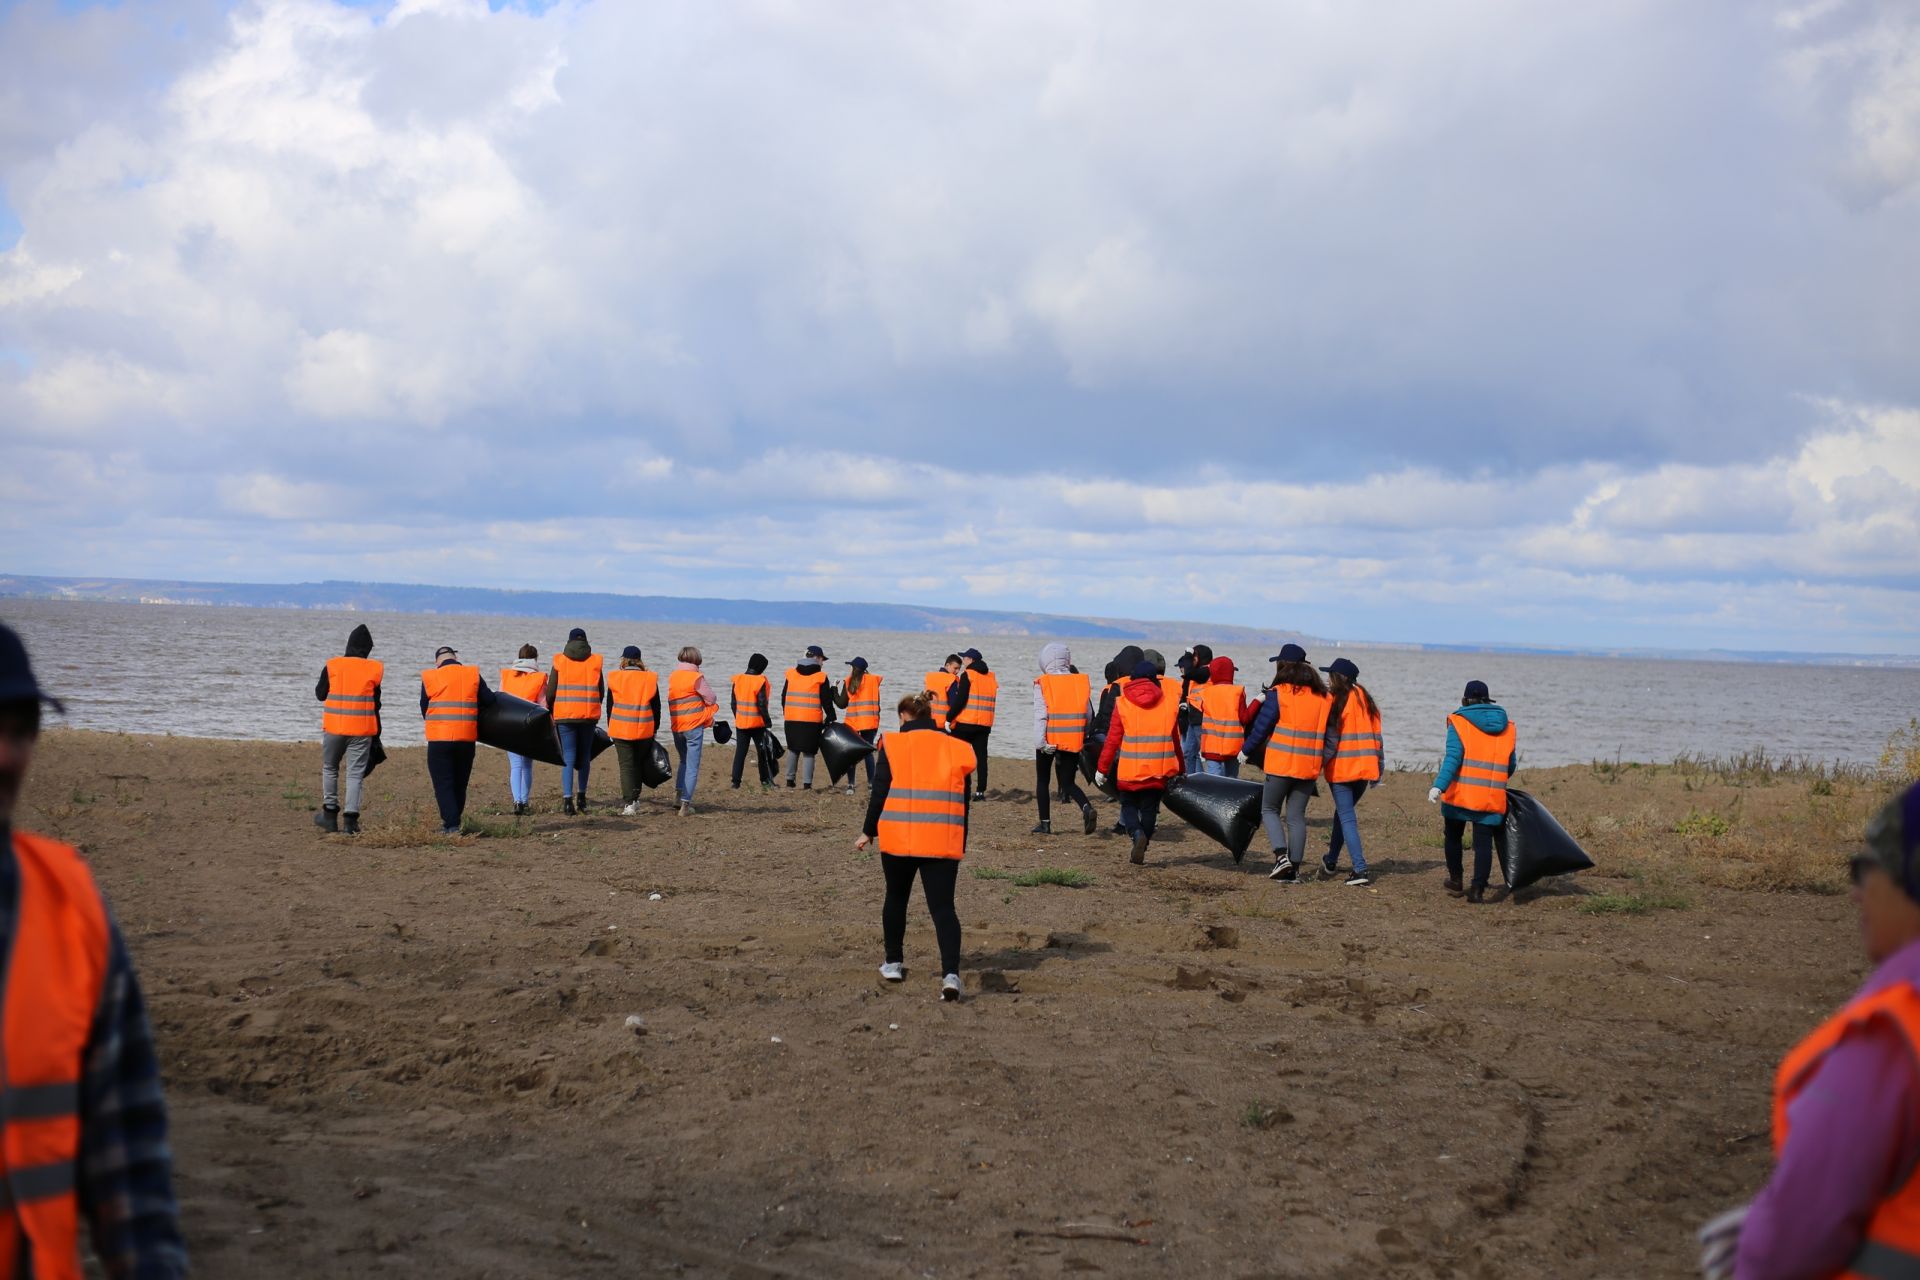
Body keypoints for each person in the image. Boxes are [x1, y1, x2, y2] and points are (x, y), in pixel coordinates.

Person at [1696, 782, 1920, 1280]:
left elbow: (1802, 1226)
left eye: (1865, 869)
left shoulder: (1891, 1035)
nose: (1856, 892)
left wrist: (1754, 1252)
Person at [855, 691, 976, 1002]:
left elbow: (879, 793)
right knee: (943, 908)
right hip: (941, 840)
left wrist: (868, 832)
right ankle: (950, 975)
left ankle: (893, 963)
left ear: (903, 717)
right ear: (929, 717)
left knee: (896, 899)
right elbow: (963, 802)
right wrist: (959, 840)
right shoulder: (956, 748)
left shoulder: (893, 745)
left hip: (898, 839)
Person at [1242, 644, 1333, 881]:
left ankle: (1281, 857)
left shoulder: (1278, 693)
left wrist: (1245, 751)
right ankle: (1295, 869)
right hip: (1308, 766)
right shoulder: (1324, 697)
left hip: (1280, 764)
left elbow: (1262, 727)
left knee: (1269, 809)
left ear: (1282, 665)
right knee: (1296, 816)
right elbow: (1331, 733)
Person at [1427, 679, 1515, 903]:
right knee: (1483, 844)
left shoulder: (1458, 722)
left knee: (1453, 837)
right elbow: (1510, 765)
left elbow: (1453, 758)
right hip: (1490, 796)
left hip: (1460, 794)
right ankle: (1477, 889)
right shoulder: (1508, 726)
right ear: (1488, 700)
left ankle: (1456, 882)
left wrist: (1439, 785)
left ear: (1465, 700)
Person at [1095, 658, 1184, 865]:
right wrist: (1181, 767)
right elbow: (1175, 741)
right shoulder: (1168, 705)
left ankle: (1136, 835)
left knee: (1128, 806)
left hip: (1129, 770)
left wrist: (1102, 769)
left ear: (1132, 680)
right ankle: (1143, 838)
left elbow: (1112, 740)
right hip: (1157, 770)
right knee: (1150, 810)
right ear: (1155, 681)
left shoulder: (1123, 704)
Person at [1318, 657, 1383, 886]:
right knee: (1342, 815)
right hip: (1364, 770)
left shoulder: (1335, 700)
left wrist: (1317, 765)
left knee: (1346, 817)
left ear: (1337, 678)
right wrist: (1379, 768)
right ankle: (1331, 860)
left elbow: (1331, 742)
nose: (1327, 679)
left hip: (1342, 769)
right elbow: (1377, 738)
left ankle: (1360, 869)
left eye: (1330, 675)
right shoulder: (1367, 700)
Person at [313, 622, 382, 834]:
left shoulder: (333, 665)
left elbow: (320, 694)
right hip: (361, 730)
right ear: (368, 650)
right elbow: (376, 703)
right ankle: (351, 822)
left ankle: (329, 815)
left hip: (334, 728)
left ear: (348, 645)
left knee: (330, 768)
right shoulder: (374, 669)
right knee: (354, 774)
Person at [421, 645, 497, 835]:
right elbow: (490, 700)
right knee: (460, 782)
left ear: (437, 661)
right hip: (466, 738)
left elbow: (424, 708)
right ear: (455, 658)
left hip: (439, 739)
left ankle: (451, 824)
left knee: (443, 783)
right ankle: (453, 821)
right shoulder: (472, 674)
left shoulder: (430, 676)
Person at [1032, 642, 1098, 836]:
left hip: (1049, 740)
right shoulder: (1079, 681)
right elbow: (1088, 714)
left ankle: (1045, 824)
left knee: (1043, 780)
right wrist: (1083, 733)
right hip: (1072, 738)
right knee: (1068, 782)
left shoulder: (1043, 682)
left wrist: (1040, 743)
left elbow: (1040, 715)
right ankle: (1086, 807)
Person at [546, 627, 603, 814]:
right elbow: (600, 691)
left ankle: (567, 801)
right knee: (585, 757)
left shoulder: (559, 661)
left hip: (564, 716)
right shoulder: (595, 662)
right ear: (586, 642)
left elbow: (551, 691)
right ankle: (582, 797)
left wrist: (551, 708)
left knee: (568, 757)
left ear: (569, 642)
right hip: (588, 716)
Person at [605, 646, 661, 816]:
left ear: (624, 659)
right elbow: (656, 707)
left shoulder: (615, 677)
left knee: (626, 766)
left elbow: (609, 706)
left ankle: (630, 803)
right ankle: (635, 799)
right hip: (644, 728)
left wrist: (611, 725)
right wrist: (655, 728)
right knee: (637, 763)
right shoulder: (650, 679)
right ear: (640, 661)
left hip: (620, 728)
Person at [667, 646, 718, 815]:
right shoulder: (697, 678)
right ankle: (685, 805)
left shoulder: (673, 676)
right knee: (692, 766)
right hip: (693, 727)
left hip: (677, 726)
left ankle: (677, 796)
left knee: (683, 760)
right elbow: (711, 698)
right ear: (697, 660)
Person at [498, 643, 546, 815]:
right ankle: (524, 802)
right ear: (535, 659)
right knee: (527, 766)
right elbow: (543, 705)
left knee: (515, 766)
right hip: (529, 727)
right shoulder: (539, 678)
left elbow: (500, 700)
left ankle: (517, 801)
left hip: (510, 726)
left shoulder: (507, 676)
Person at [947, 647, 998, 797]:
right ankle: (980, 791)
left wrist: (949, 718)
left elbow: (960, 700)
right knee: (981, 757)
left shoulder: (968, 675)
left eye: (965, 659)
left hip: (966, 723)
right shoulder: (990, 677)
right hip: (984, 724)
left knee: (956, 754)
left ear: (971, 660)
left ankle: (956, 785)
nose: (963, 661)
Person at [782, 645, 835, 789]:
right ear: (816, 658)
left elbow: (783, 696)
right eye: (822, 659)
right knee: (809, 751)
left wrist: (786, 712)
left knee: (793, 749)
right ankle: (807, 784)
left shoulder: (791, 674)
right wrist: (831, 716)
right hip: (811, 720)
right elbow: (826, 700)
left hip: (791, 718)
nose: (823, 663)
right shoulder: (821, 677)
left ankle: (789, 781)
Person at [1195, 655, 1252, 778]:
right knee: (1231, 783)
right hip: (1233, 747)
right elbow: (1245, 718)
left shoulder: (1206, 693)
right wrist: (1257, 701)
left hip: (1211, 747)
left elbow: (1199, 713)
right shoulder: (1237, 692)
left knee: (1214, 782)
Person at [833, 658, 883, 794]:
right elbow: (877, 705)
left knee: (852, 754)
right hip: (869, 722)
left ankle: (850, 785)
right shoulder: (873, 681)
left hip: (853, 723)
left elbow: (841, 704)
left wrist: (833, 690)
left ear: (853, 669)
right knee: (868, 754)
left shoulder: (849, 682)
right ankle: (871, 785)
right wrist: (876, 722)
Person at [731, 653, 777, 790]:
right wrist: (768, 722)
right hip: (758, 724)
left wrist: (738, 717)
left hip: (741, 723)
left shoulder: (738, 679)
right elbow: (762, 704)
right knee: (762, 753)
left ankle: (735, 782)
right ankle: (765, 781)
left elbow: (733, 703)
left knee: (740, 753)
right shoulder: (760, 681)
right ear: (760, 667)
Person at [1178, 644, 1214, 773]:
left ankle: (1212, 780)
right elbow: (1186, 672)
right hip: (1194, 719)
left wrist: (1188, 654)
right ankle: (1192, 779)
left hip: (1202, 718)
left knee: (1208, 753)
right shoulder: (1199, 672)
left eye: (1194, 657)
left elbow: (1188, 672)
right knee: (1189, 753)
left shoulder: (1206, 671)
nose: (1192, 660)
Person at [926, 655, 962, 731]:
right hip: (945, 723)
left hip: (929, 721)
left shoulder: (931, 677)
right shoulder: (951, 680)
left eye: (959, 669)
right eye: (955, 668)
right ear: (947, 665)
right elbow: (953, 703)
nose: (957, 671)